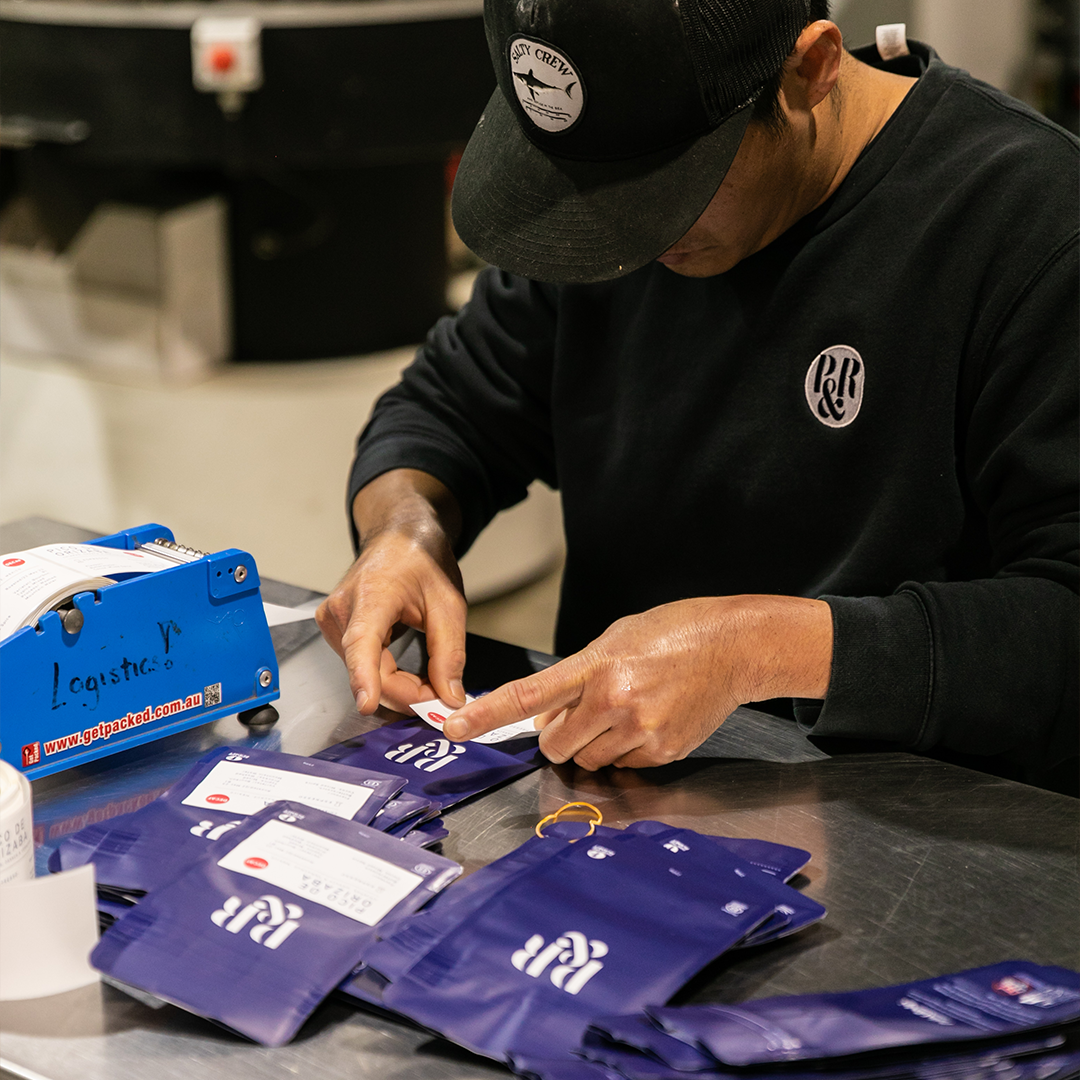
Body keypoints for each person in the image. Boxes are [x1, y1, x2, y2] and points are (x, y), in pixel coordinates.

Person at [316, 0, 1079, 793]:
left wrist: (757, 650)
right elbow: (445, 408)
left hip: (931, 838)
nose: (628, 237)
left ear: (809, 71)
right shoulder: (599, 210)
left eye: (666, 190)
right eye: (594, 192)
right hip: (609, 807)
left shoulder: (1033, 225)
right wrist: (405, 535)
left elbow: (1065, 627)